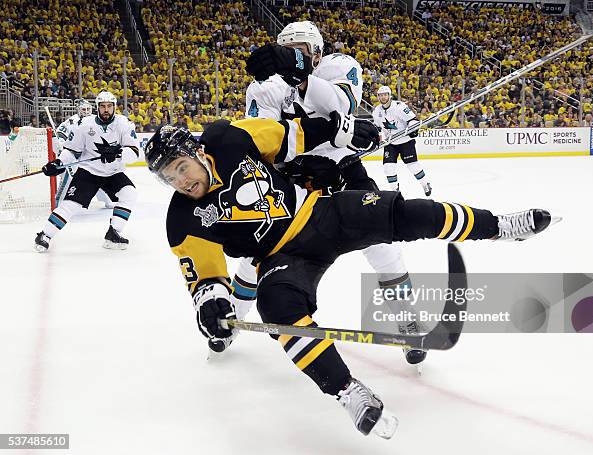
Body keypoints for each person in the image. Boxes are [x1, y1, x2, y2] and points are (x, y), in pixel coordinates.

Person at [144, 114, 556, 438]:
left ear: (196, 151)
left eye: (182, 167)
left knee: (408, 214)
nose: (181, 181)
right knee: (279, 309)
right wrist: (211, 304)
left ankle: (499, 226)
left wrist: (342, 137)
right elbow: (203, 277)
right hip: (281, 257)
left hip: (323, 213)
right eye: (169, 178)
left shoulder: (228, 138)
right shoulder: (182, 219)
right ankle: (347, 391)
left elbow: (293, 134)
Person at [242, 21, 425, 365]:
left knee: (380, 243)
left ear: (318, 54)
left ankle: (407, 320)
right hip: (293, 178)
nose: (293, 57)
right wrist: (314, 147)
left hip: (343, 170)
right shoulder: (264, 88)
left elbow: (341, 104)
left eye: (300, 51)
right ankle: (232, 316)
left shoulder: (339, 67)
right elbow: (264, 140)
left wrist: (339, 129)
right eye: (287, 50)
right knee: (257, 250)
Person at [34, 91, 139, 252]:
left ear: (114, 107)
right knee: (71, 205)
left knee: (129, 193)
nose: (106, 110)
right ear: (97, 107)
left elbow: (134, 153)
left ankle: (113, 233)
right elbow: (72, 151)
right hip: (89, 172)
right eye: (102, 106)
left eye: (109, 106)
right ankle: (45, 235)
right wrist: (59, 162)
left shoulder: (124, 124)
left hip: (113, 173)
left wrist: (118, 153)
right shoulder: (84, 125)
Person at [372, 85, 432, 196]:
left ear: (389, 96)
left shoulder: (399, 106)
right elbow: (377, 127)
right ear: (378, 97)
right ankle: (395, 192)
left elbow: (413, 119)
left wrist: (413, 129)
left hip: (406, 141)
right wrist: (376, 137)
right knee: (388, 168)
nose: (383, 97)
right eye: (381, 95)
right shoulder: (377, 111)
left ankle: (425, 184)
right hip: (390, 143)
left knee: (413, 166)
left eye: (385, 95)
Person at [55, 100, 115, 208]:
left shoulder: (95, 120)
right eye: (83, 109)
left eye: (88, 109)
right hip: (73, 154)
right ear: (78, 110)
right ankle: (58, 202)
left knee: (97, 175)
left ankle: (106, 199)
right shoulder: (72, 121)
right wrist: (61, 142)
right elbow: (60, 133)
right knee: (67, 178)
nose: (86, 112)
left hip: (88, 154)